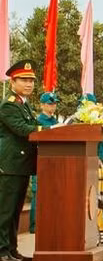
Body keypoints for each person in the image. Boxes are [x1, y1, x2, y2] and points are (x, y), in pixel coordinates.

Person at [0, 60, 41, 261]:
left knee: (15, 209)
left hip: (21, 164)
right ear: (12, 82)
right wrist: (47, 130)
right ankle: (1, 250)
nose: (29, 84)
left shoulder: (23, 104)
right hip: (10, 164)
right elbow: (22, 129)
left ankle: (12, 249)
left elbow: (31, 125)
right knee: (5, 210)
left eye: (31, 80)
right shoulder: (9, 104)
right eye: (24, 80)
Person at [29, 92, 59, 234]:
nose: (52, 107)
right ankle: (34, 225)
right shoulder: (38, 121)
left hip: (54, 160)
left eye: (54, 104)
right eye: (49, 104)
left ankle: (48, 222)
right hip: (41, 160)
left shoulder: (55, 121)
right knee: (38, 193)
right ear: (42, 105)